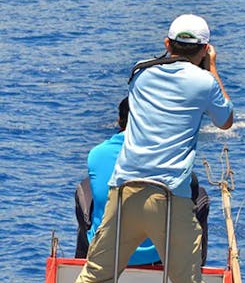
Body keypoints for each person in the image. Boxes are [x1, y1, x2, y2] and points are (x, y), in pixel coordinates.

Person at [55, 14, 234, 283]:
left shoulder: (140, 72)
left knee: (95, 277)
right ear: (204, 49)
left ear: (167, 44)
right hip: (169, 196)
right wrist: (212, 67)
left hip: (126, 191)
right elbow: (226, 120)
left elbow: (158, 74)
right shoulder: (204, 81)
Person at [74, 97, 210, 265]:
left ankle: (81, 263)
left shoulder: (97, 154)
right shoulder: (169, 153)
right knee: (199, 195)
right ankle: (196, 266)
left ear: (119, 121)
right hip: (159, 252)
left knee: (84, 188)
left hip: (108, 249)